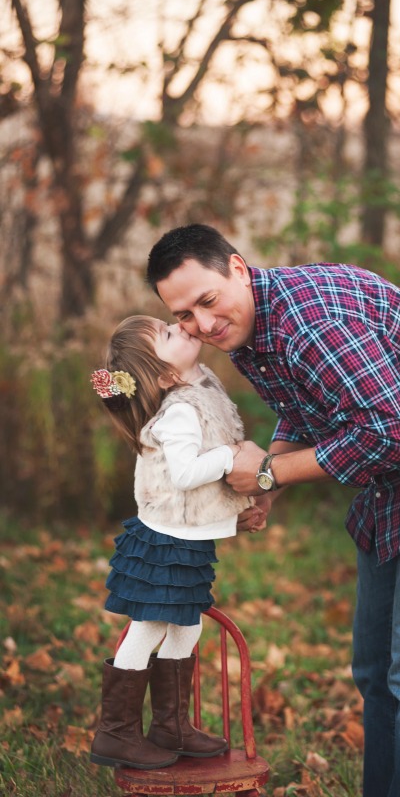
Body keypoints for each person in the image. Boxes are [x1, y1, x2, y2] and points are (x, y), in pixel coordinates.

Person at [145, 223, 400, 797]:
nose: (202, 324)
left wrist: (272, 470)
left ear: (237, 267)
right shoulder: (248, 330)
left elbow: (387, 434)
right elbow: (307, 410)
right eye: (184, 316)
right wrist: (267, 488)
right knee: (376, 670)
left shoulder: (313, 325)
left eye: (207, 300)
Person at [89, 314, 255, 770]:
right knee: (151, 626)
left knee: (188, 624)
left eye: (168, 323)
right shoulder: (180, 411)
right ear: (164, 375)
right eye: (167, 334)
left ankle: (171, 725)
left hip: (184, 539)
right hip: (166, 543)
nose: (180, 327)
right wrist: (231, 457)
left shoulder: (196, 391)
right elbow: (184, 476)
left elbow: (200, 491)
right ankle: (116, 732)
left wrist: (235, 515)